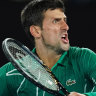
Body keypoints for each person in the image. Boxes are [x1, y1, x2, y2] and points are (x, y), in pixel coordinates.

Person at [0, 0, 96, 96]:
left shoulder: (85, 57)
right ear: (36, 31)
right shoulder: (9, 73)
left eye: (64, 20)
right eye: (56, 21)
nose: (66, 27)